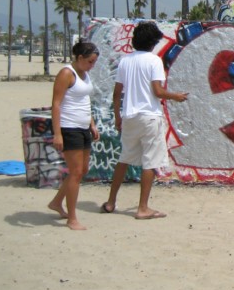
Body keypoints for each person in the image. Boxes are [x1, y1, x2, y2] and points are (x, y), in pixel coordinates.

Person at [101, 21, 188, 219]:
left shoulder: (125, 61)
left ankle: (111, 201)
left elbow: (117, 94)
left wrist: (117, 117)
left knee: (123, 159)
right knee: (150, 162)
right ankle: (143, 208)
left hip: (129, 115)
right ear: (153, 42)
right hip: (149, 116)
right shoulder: (154, 61)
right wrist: (176, 96)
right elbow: (157, 92)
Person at [47, 41, 100, 230]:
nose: (92, 65)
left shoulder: (84, 74)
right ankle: (72, 218)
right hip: (69, 128)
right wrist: (57, 134)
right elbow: (56, 104)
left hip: (84, 126)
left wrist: (92, 123)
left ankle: (56, 202)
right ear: (79, 58)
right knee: (76, 172)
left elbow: (84, 99)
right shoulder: (66, 74)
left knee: (83, 170)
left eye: (94, 62)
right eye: (90, 61)